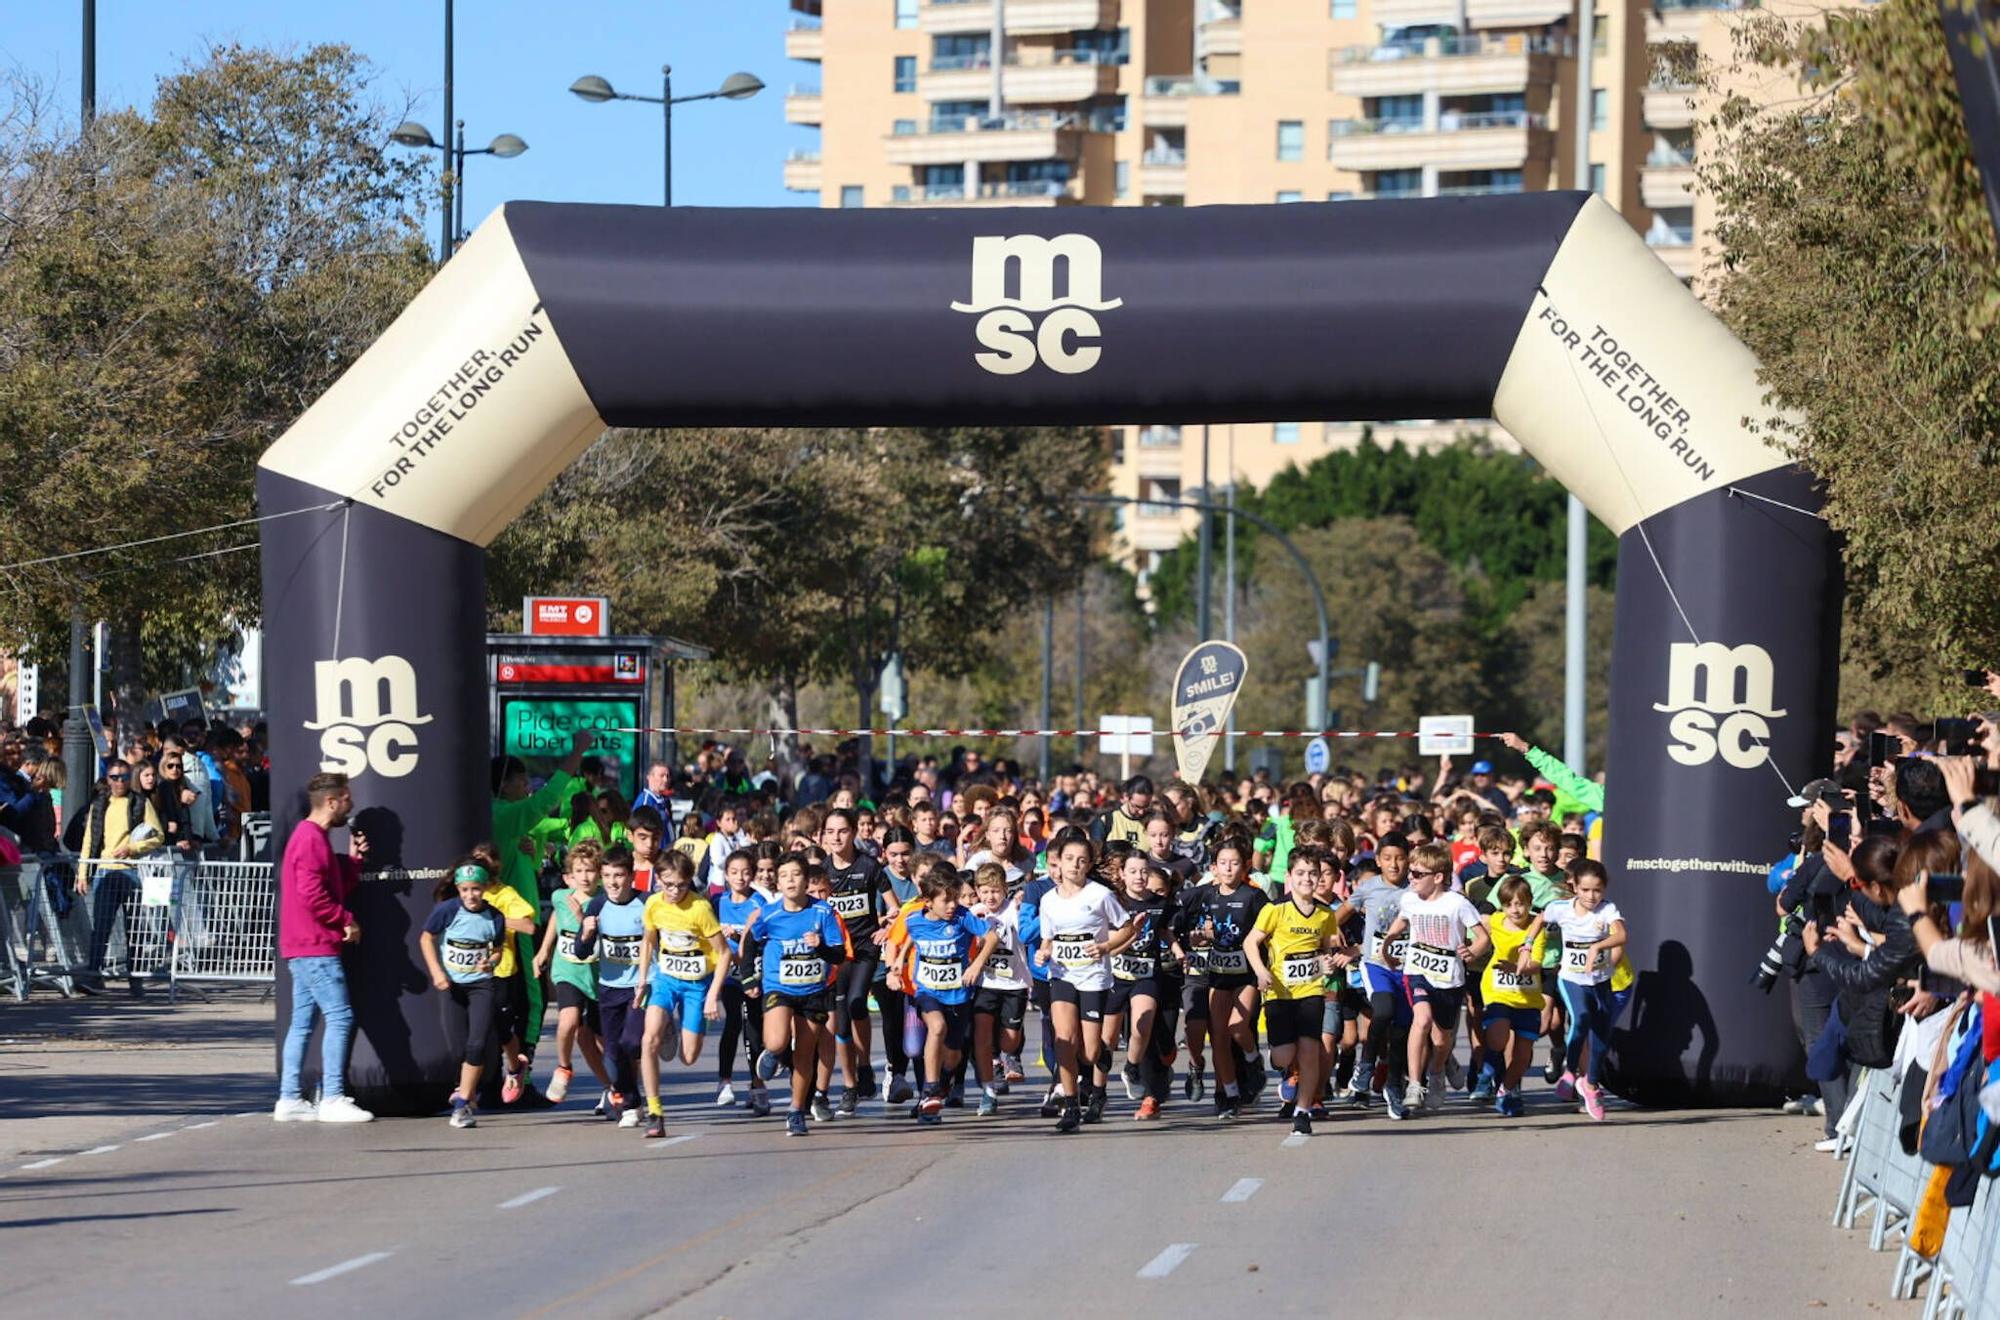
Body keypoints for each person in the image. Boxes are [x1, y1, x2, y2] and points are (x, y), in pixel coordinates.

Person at [274, 772, 372, 1123]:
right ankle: (332, 1096)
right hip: (315, 945)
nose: (351, 805)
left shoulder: (311, 838)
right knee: (340, 1017)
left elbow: (325, 884)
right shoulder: (311, 839)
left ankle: (289, 1097)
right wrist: (345, 918)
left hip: (302, 945)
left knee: (302, 1023)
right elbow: (312, 893)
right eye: (347, 799)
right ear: (332, 801)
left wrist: (353, 861)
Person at [742, 852, 849, 1137]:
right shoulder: (770, 914)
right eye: (784, 875)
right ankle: (774, 1052)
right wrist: (748, 978)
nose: (791, 880)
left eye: (796, 874)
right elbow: (751, 944)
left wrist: (820, 947)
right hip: (779, 986)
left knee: (804, 1053)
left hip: (814, 990)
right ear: (778, 882)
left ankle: (796, 1110)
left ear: (806, 880)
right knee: (777, 1040)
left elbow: (838, 955)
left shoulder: (823, 912)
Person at [1378, 841, 1488, 1116]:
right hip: (1418, 971)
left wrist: (1472, 950)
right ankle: (1415, 1084)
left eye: (1417, 874)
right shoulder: (1410, 899)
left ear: (1438, 877)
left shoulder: (1457, 903)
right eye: (1410, 872)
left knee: (1441, 1041)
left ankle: (1437, 1071)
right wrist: (1388, 943)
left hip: (1449, 979)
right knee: (1422, 1019)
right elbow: (1402, 921)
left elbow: (1484, 938)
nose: (1410, 878)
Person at [1035, 829, 1136, 1131]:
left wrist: (1104, 947)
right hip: (1062, 976)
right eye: (1069, 859)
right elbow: (1048, 940)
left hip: (1093, 977)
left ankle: (1100, 1078)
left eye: (1081, 860)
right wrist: (1043, 954)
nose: (1075, 865)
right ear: (1059, 863)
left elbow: (1127, 928)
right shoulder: (1048, 900)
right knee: (1063, 1039)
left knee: (1089, 1051)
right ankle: (1070, 1105)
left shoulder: (1100, 895)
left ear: (1089, 864)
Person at [420, 859, 531, 1129]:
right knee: (459, 1048)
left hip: (482, 985)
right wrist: (437, 971)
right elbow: (426, 938)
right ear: (458, 888)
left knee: (476, 1044)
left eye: (477, 889)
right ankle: (473, 1087)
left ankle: (463, 1104)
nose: (471, 895)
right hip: (453, 986)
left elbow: (497, 948)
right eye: (466, 889)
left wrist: (491, 962)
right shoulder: (446, 911)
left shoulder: (494, 916)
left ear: (485, 888)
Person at [1245, 850, 1343, 1137]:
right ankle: (1285, 1070)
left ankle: (1303, 1111)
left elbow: (1326, 948)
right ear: (1289, 878)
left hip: (1311, 989)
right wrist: (1262, 971)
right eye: (1300, 873)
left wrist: (1326, 961)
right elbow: (1251, 943)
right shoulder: (1275, 910)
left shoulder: (1326, 914)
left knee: (1311, 1050)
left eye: (1313, 874)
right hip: (1278, 991)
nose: (1307, 879)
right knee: (1284, 1055)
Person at [890, 865, 998, 1123]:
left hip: (958, 995)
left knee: (952, 1055)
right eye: (945, 900)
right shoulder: (914, 918)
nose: (952, 905)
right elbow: (911, 937)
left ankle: (944, 1079)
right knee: (936, 1028)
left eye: (955, 898)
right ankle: (930, 1089)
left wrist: (976, 964)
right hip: (927, 991)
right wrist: (900, 963)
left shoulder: (962, 917)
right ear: (928, 902)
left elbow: (992, 937)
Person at [635, 850, 728, 1136]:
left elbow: (723, 954)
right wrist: (642, 981)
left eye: (681, 885)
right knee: (648, 1039)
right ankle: (655, 1112)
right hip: (665, 979)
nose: (675, 891)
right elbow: (648, 942)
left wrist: (713, 994)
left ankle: (674, 1027)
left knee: (689, 1057)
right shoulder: (653, 904)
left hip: (697, 984)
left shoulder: (700, 908)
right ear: (659, 880)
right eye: (668, 884)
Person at [1184, 835, 1270, 1118]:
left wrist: (1264, 969)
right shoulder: (1206, 894)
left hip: (1246, 973)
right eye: (1223, 863)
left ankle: (1252, 1059)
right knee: (1218, 1036)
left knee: (1236, 1027)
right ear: (1213, 868)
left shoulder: (1254, 896)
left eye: (1235, 863)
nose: (1229, 868)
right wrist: (1194, 938)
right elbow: (1182, 917)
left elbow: (1270, 931)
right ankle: (1229, 1095)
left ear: (1244, 866)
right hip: (1218, 974)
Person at [820, 807, 893, 1115]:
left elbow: (895, 908)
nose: (836, 837)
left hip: (863, 949)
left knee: (856, 1004)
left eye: (842, 831)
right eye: (831, 831)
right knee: (838, 1021)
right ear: (824, 835)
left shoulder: (870, 866)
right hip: (836, 954)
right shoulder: (821, 870)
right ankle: (850, 1086)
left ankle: (864, 1065)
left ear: (853, 833)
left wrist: (887, 928)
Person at [1543, 858, 1628, 1122]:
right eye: (1586, 890)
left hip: (1601, 981)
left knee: (1601, 1035)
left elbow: (1622, 935)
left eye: (1598, 890)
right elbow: (1539, 920)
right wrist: (1527, 943)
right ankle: (1570, 1070)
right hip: (1571, 978)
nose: (1592, 896)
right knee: (1580, 1017)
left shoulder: (1607, 909)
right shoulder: (1561, 908)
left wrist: (1596, 948)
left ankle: (1590, 1084)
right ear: (1575, 887)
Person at [531, 840, 611, 1106]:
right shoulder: (560, 897)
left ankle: (613, 1088)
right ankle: (564, 1068)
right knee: (568, 1021)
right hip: (567, 970)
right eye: (580, 871)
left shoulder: (604, 902)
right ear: (569, 876)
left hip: (597, 975)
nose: (585, 876)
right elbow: (556, 918)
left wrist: (581, 918)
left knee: (596, 1041)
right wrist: (543, 950)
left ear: (599, 874)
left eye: (590, 870)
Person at [76, 758, 167, 991]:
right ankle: (93, 975)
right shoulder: (99, 804)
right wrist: (82, 873)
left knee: (134, 928)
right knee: (101, 927)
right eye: (114, 777)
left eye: (124, 777)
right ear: (107, 779)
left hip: (133, 872)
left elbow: (158, 835)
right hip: (105, 871)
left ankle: (135, 979)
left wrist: (133, 848)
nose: (119, 782)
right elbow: (88, 840)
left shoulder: (140, 802)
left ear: (130, 778)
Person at [575, 846, 648, 1126]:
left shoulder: (647, 903)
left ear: (631, 876)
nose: (612, 883)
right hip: (609, 987)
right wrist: (587, 932)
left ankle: (656, 1030)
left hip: (642, 984)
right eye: (606, 876)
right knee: (614, 1051)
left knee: (631, 1043)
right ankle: (631, 1103)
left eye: (618, 876)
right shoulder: (597, 905)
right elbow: (582, 953)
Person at [1475, 876, 1549, 1117]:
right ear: (1502, 906)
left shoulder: (1536, 928)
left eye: (1521, 904)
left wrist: (1518, 969)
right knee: (1497, 1040)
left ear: (1529, 903)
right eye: (1509, 905)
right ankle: (1488, 1069)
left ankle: (1506, 1091)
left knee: (1523, 1056)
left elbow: (1537, 963)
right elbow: (1476, 929)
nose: (1515, 910)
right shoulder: (1495, 921)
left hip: (1527, 997)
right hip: (1498, 991)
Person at [969, 862, 1034, 1116]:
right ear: (977, 891)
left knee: (1009, 1039)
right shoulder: (975, 912)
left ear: (1005, 889)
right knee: (982, 1038)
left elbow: (1027, 933)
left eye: (995, 891)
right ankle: (988, 1091)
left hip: (1014, 983)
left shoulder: (1013, 912)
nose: (990, 897)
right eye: (984, 892)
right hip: (986, 983)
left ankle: (1006, 1054)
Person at [713, 848, 769, 1111]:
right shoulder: (717, 902)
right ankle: (724, 1081)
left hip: (751, 974)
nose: (740, 877)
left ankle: (757, 1086)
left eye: (746, 872)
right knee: (732, 1024)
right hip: (728, 976)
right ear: (725, 875)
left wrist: (740, 938)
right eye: (734, 872)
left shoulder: (759, 904)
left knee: (754, 1030)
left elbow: (763, 941)